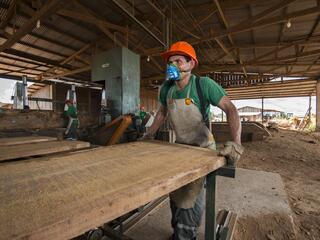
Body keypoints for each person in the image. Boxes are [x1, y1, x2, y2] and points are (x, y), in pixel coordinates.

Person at [143, 41, 244, 240]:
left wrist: (237, 142)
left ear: (191, 64)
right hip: (180, 149)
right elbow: (162, 112)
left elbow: (231, 109)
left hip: (202, 149)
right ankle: (178, 232)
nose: (173, 66)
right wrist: (148, 134)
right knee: (175, 193)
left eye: (178, 61)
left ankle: (186, 235)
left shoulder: (203, 85)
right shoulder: (167, 89)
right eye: (170, 62)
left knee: (189, 199)